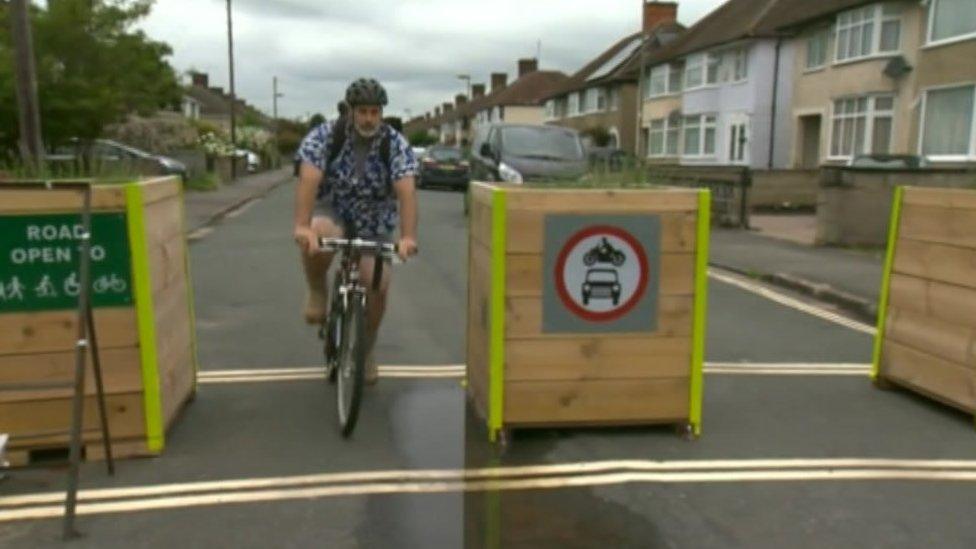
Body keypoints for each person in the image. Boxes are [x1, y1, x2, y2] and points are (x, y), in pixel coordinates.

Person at [293, 78, 418, 384]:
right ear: (349, 111)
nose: (368, 119)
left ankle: (366, 348)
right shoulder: (326, 136)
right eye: (362, 111)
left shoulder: (394, 144)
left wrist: (407, 236)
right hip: (333, 206)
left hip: (374, 219)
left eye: (374, 112)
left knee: (376, 280)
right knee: (319, 232)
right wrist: (301, 226)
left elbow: (406, 192)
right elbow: (308, 180)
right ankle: (318, 290)